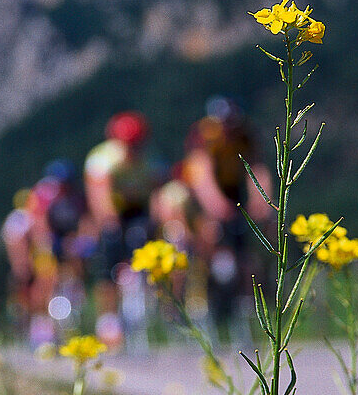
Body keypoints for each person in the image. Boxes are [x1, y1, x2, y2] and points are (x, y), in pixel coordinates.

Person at [158, 97, 274, 336]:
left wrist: (264, 202)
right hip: (197, 195)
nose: (229, 130)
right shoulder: (206, 134)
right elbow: (203, 179)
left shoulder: (245, 135)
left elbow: (257, 169)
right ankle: (185, 301)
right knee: (205, 237)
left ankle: (245, 305)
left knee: (245, 250)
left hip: (231, 190)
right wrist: (217, 209)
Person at [84, 111, 166, 346]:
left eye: (137, 144)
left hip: (138, 211)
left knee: (145, 242)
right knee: (109, 255)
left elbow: (157, 197)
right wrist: (110, 224)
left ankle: (150, 307)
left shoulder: (151, 160)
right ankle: (108, 320)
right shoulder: (101, 159)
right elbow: (100, 199)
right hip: (112, 211)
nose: (133, 149)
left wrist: (157, 223)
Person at [2, 161, 93, 344]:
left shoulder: (75, 197)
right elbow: (39, 227)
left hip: (59, 236)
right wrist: (31, 258)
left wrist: (82, 243)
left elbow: (84, 221)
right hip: (35, 239)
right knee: (41, 276)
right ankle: (36, 321)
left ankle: (72, 310)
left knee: (75, 266)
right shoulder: (42, 196)